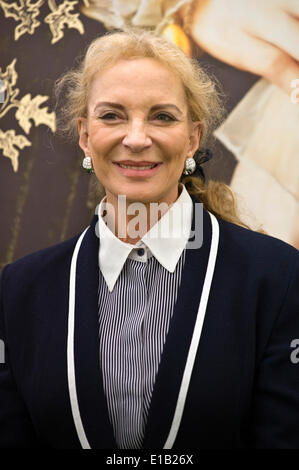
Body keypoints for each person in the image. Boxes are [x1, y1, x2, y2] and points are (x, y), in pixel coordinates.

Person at [0, 29, 298, 450]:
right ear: (85, 136)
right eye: (112, 116)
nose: (137, 138)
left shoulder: (278, 278)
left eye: (162, 116)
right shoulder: (19, 291)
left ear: (192, 138)